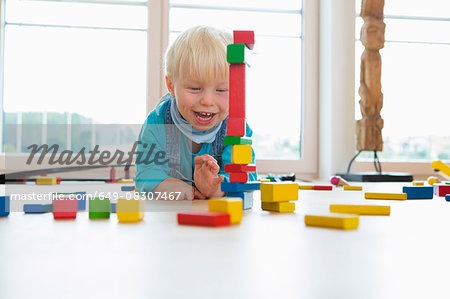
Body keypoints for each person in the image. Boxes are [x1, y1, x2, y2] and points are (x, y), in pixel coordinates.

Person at [135, 25, 257, 200]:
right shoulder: (158, 121)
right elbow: (146, 175)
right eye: (194, 88)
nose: (207, 101)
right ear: (171, 85)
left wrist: (216, 188)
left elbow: (246, 177)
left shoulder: (237, 128)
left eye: (222, 90)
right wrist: (174, 187)